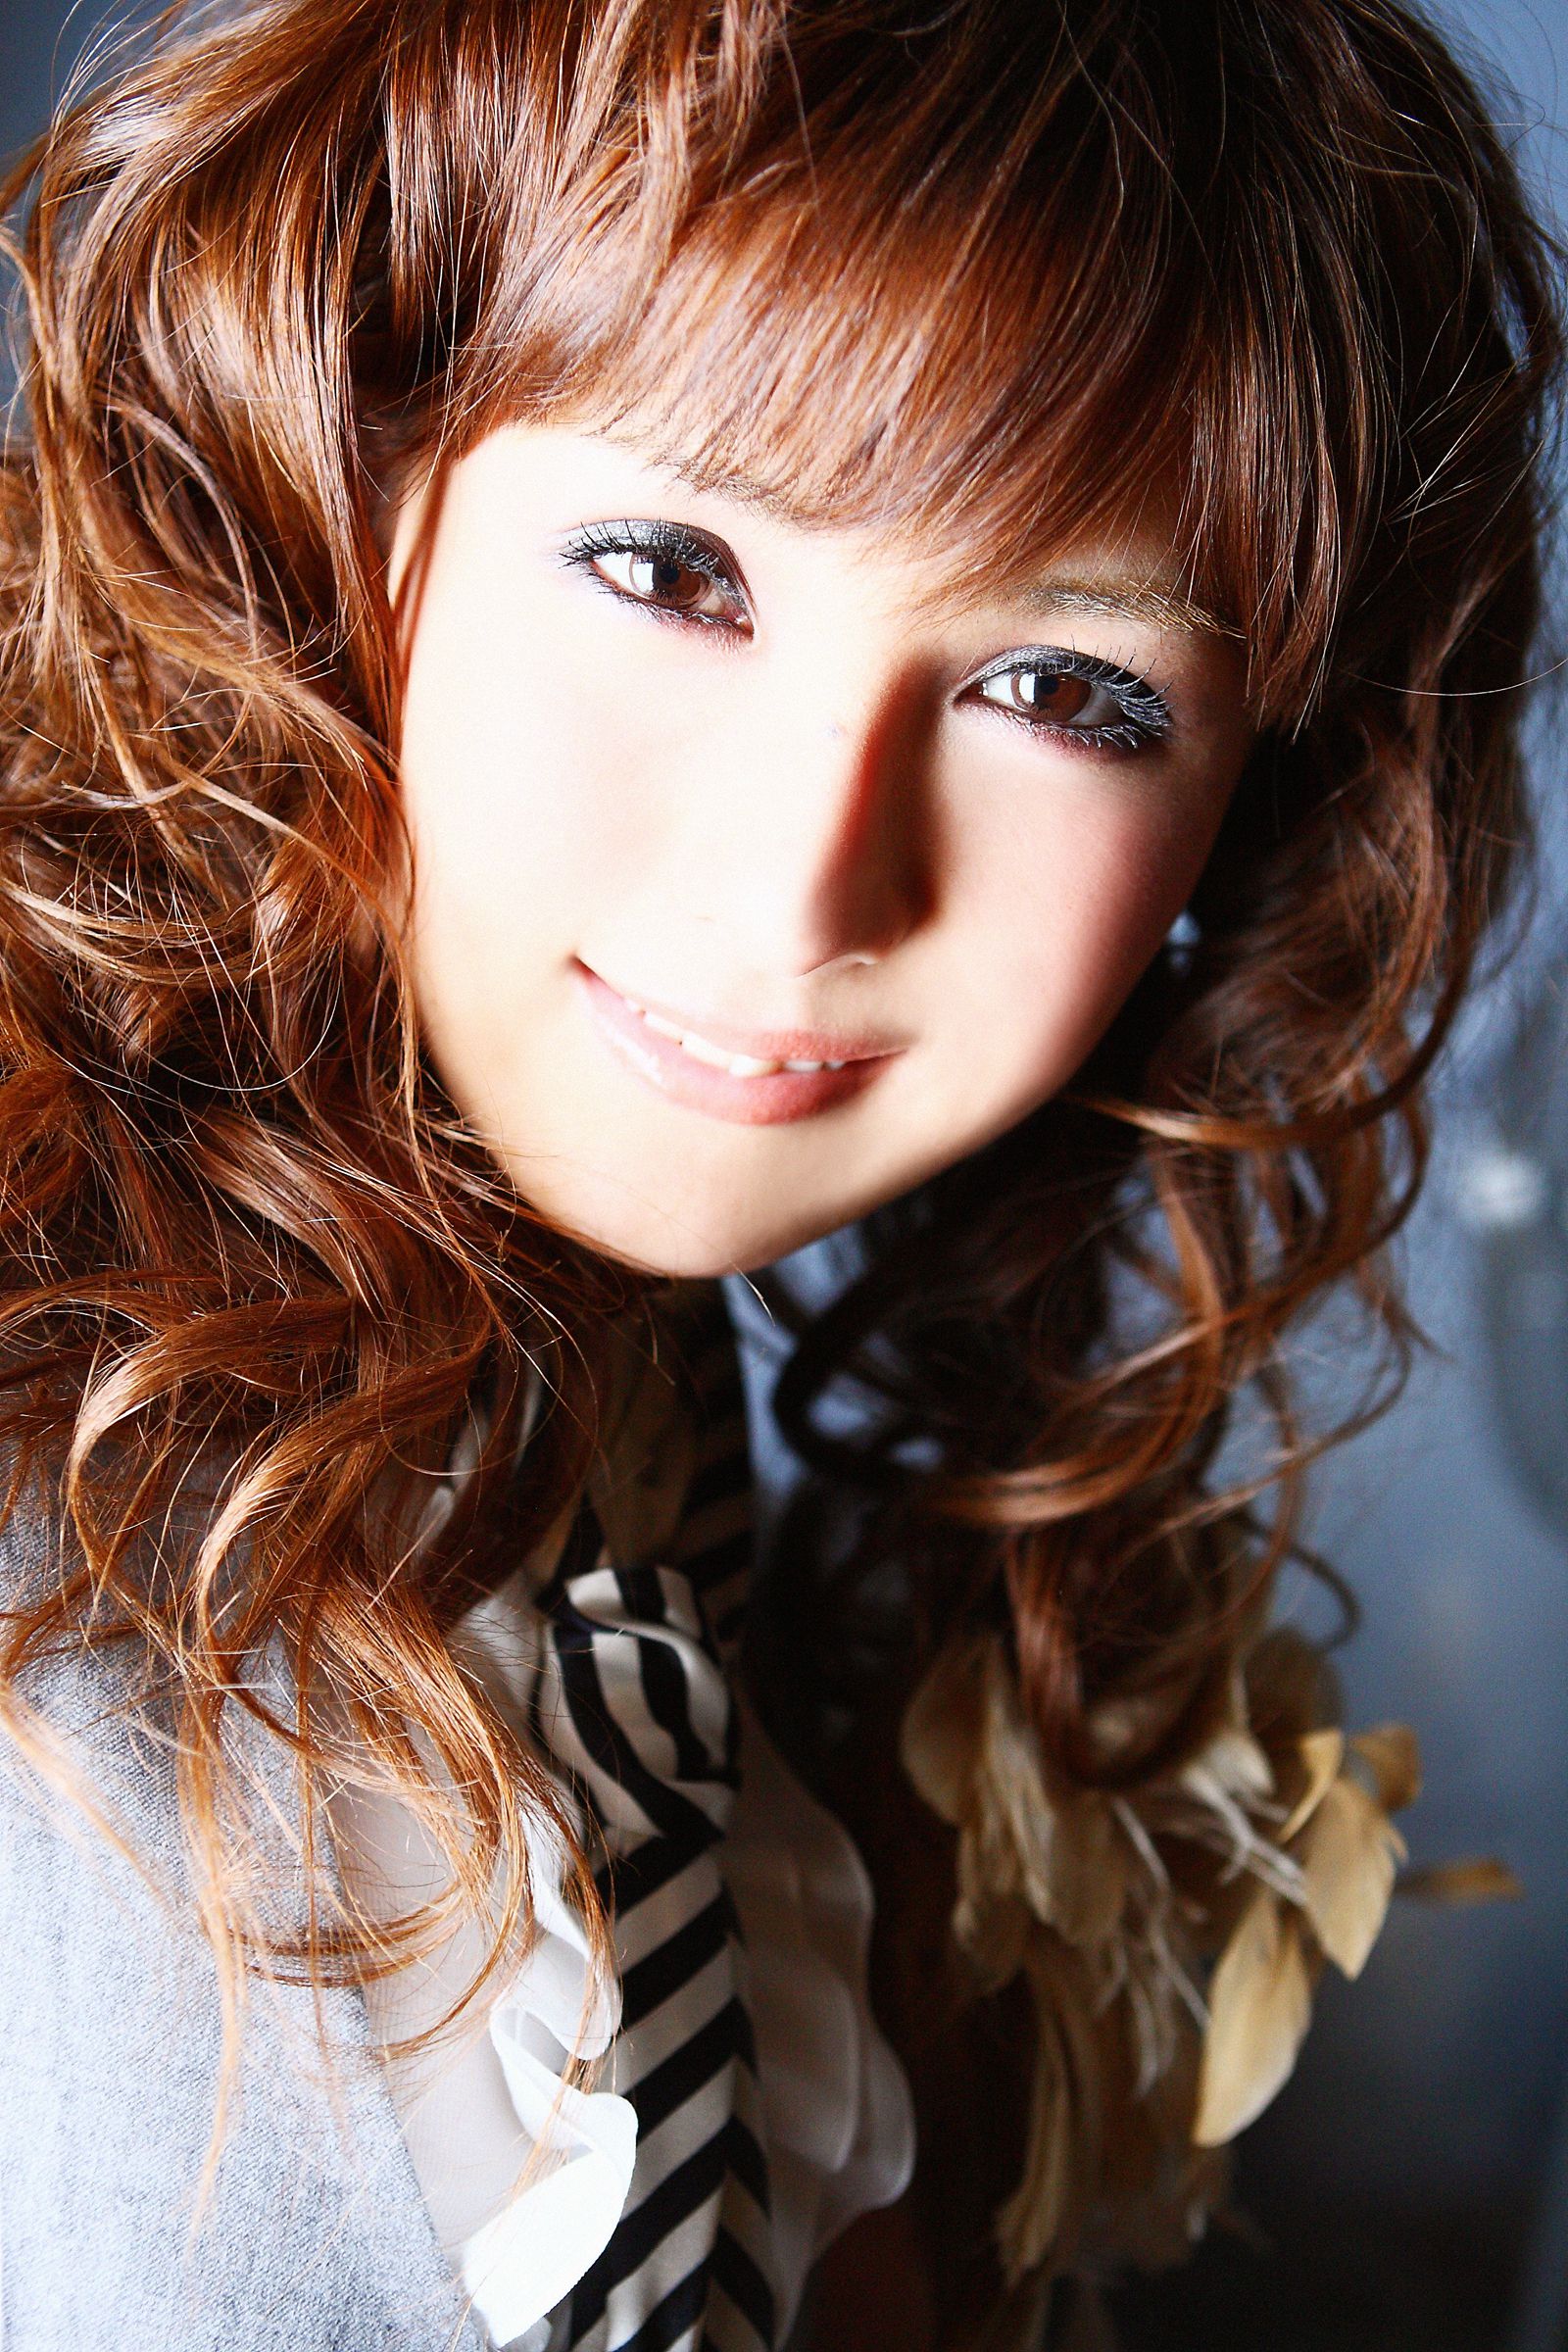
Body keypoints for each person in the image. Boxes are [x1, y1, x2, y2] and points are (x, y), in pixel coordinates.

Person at [0, 0, 1559, 2346]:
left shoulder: (605, 1453)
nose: (807, 880)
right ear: (339, 470)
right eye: (667, 566)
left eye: (1062, 691)